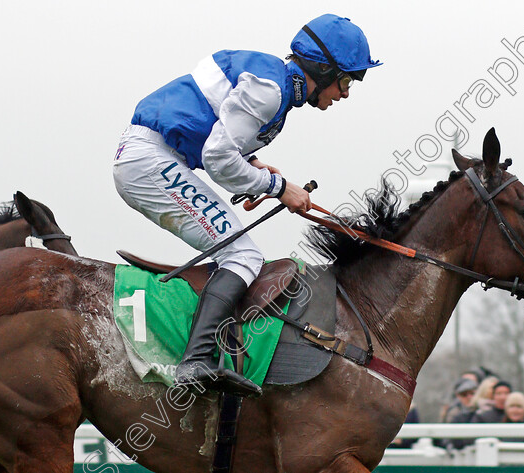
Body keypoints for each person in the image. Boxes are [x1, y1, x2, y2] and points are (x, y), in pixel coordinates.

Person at [113, 15, 381, 395]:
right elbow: (220, 158)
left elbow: (221, 145)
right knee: (243, 256)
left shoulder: (275, 85)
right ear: (323, 70)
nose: (346, 93)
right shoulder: (270, 90)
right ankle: (196, 362)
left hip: (154, 157)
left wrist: (254, 169)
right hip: (150, 161)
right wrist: (279, 187)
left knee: (240, 251)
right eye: (347, 80)